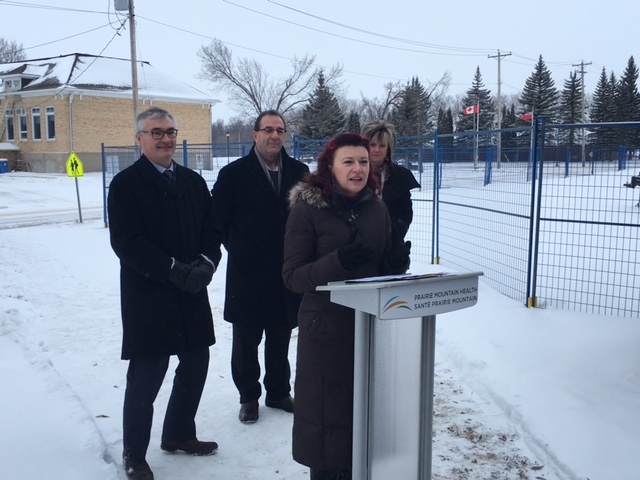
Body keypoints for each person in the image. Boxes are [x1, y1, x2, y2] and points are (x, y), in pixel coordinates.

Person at [282, 132, 411, 480]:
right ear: (330, 167)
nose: (358, 169)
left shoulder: (376, 207)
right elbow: (293, 276)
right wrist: (338, 262)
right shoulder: (308, 210)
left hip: (370, 326)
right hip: (326, 328)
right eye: (349, 162)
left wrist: (396, 263)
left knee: (366, 418)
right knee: (329, 419)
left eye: (364, 162)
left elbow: (381, 271)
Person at [108, 107, 221, 480]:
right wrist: (171, 269)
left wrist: (206, 263)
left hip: (191, 289)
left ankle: (178, 433)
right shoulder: (126, 185)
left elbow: (211, 230)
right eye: (156, 132)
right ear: (139, 139)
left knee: (195, 364)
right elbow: (127, 242)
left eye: (170, 131)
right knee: (147, 376)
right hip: (149, 293)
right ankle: (134, 454)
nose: (166, 139)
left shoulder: (192, 181)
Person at [210, 110, 309, 424]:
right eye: (268, 130)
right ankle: (248, 397)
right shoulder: (234, 174)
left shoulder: (299, 171)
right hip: (248, 273)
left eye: (280, 130)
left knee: (280, 337)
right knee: (246, 341)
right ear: (255, 135)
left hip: (286, 272)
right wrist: (239, 248)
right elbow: (218, 221)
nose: (274, 136)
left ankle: (278, 391)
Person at [361, 120, 420, 243]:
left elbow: (405, 212)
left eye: (382, 145)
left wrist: (396, 235)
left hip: (389, 243)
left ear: (388, 148)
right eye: (372, 145)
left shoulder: (400, 176)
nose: (377, 150)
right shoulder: (352, 173)